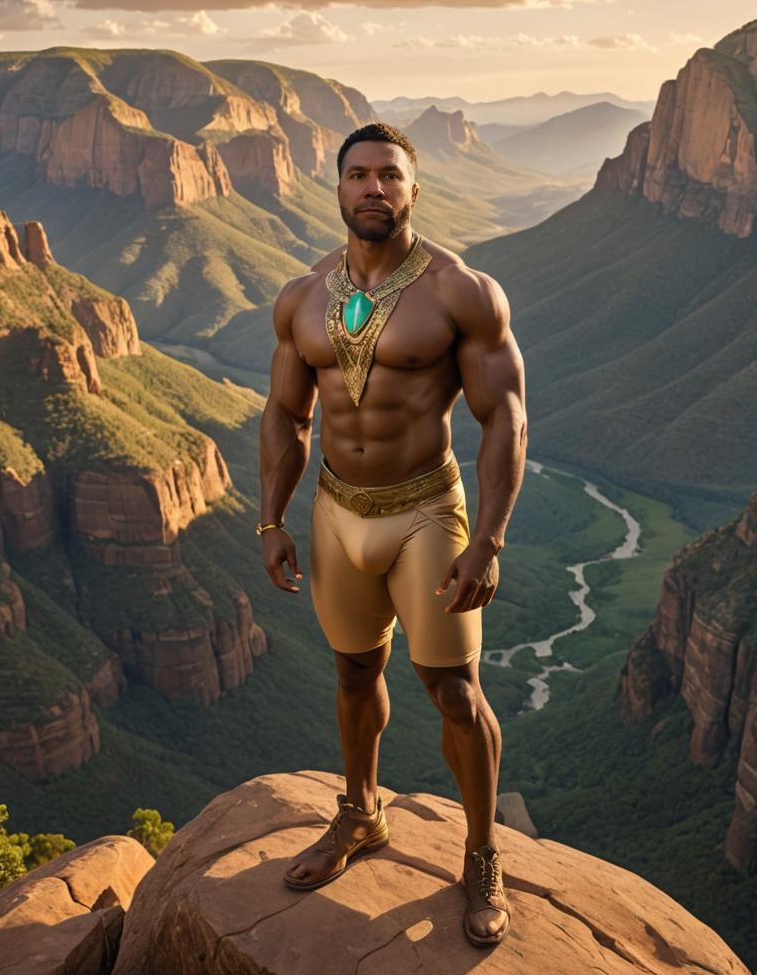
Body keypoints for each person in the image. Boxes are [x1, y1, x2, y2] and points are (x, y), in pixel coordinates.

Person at [257, 121, 527, 948]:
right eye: (359, 175)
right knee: (351, 672)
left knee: (453, 691)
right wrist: (271, 517)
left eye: (390, 176)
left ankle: (482, 855)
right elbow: (285, 415)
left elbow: (504, 416)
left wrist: (488, 539)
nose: (374, 188)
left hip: (425, 514)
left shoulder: (461, 292)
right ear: (335, 189)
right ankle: (362, 812)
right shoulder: (303, 296)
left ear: (413, 189)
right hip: (337, 513)